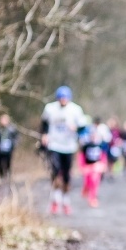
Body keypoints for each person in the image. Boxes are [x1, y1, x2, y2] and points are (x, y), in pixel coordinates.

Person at [41, 86, 87, 215]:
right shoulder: (50, 108)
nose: (63, 100)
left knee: (66, 175)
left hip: (69, 146)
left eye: (65, 98)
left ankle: (66, 201)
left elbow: (84, 128)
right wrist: (44, 135)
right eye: (60, 98)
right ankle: (56, 200)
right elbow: (44, 123)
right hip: (54, 145)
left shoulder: (76, 110)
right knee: (55, 172)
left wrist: (76, 129)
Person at [78, 127, 108, 208]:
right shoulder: (86, 146)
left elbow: (103, 157)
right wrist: (82, 166)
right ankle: (86, 189)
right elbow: (81, 157)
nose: (94, 137)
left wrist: (103, 165)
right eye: (92, 135)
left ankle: (93, 198)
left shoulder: (100, 146)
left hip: (97, 167)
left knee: (94, 182)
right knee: (88, 182)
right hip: (88, 167)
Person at [0, 113, 18, 179]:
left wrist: (14, 143)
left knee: (8, 161)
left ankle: (8, 173)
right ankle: (1, 175)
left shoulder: (12, 129)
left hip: (9, 148)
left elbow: (16, 137)